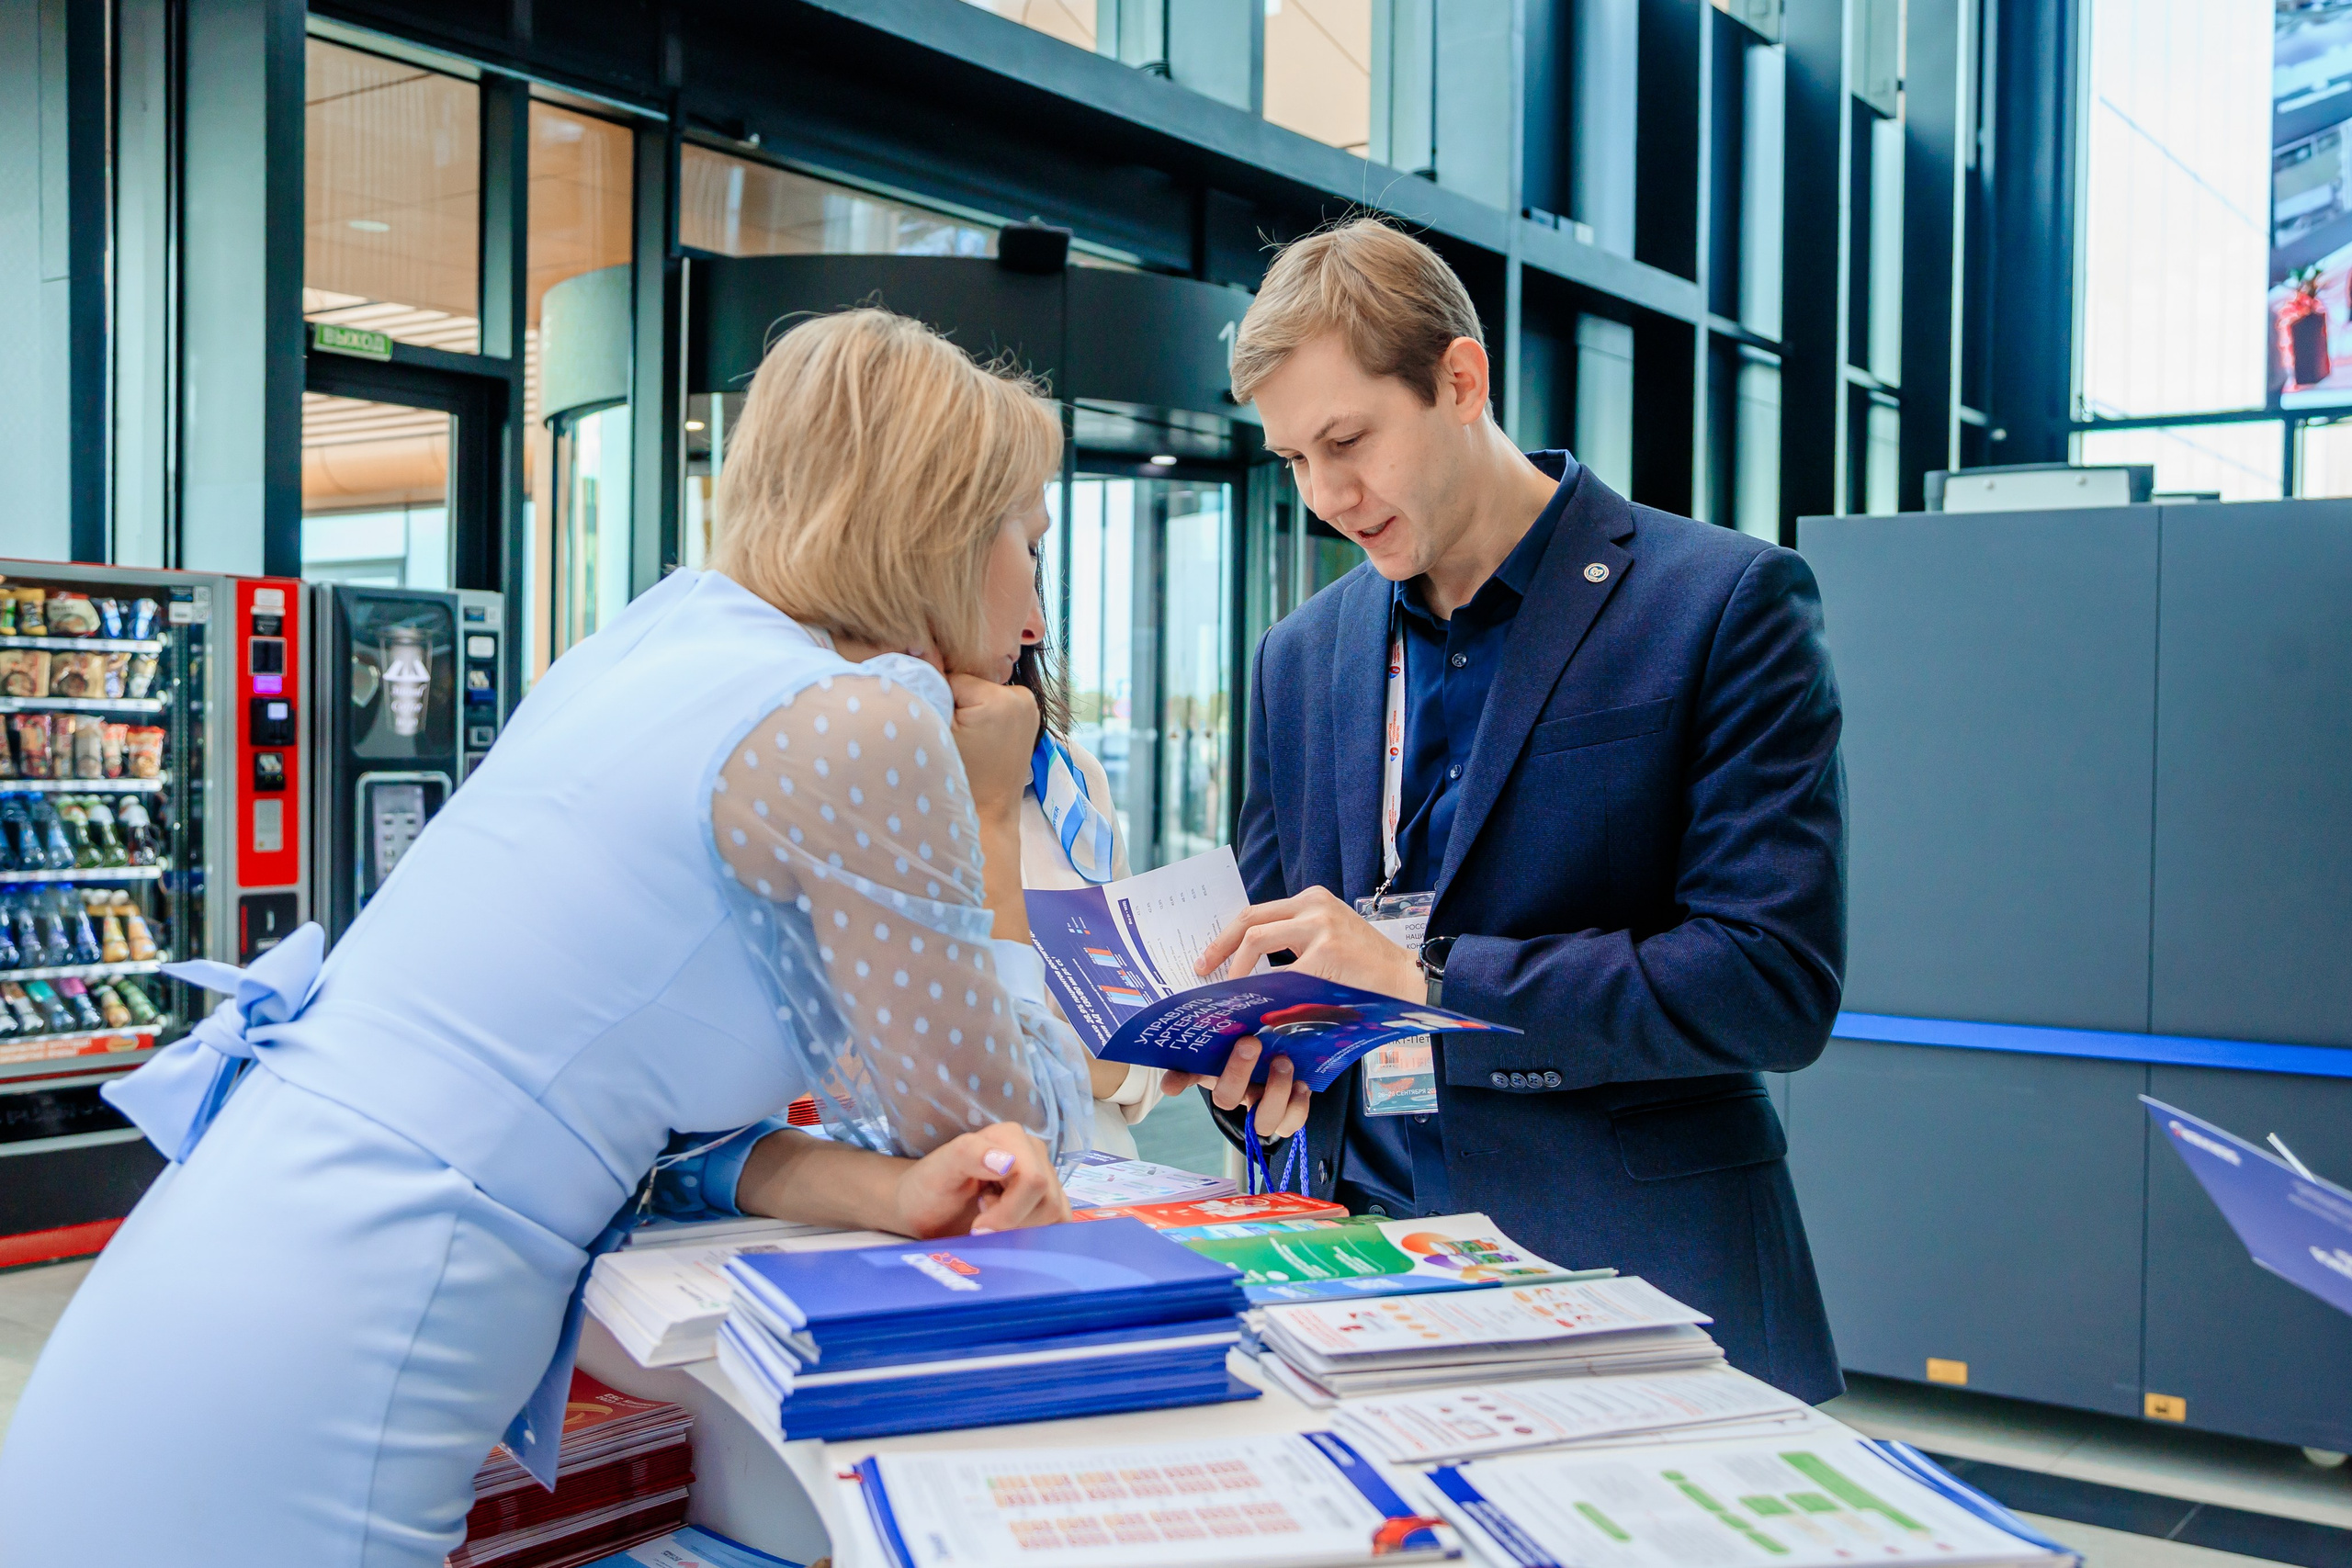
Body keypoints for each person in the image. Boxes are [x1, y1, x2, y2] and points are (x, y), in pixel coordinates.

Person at [0, 309, 1100, 1565]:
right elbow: (1014, 1134)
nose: (1032, 604)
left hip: (180, 1309)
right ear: (943, 524)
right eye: (1030, 539)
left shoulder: (655, 643)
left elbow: (629, 1107)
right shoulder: (864, 720)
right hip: (327, 1376)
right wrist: (992, 808)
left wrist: (880, 1182)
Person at [1178, 220, 1847, 1403]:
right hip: (1347, 1283)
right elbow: (1282, 953)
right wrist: (1237, 1050)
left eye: (1347, 441)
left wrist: (1430, 986)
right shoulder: (1300, 656)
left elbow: (1770, 980)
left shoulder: (1719, 604)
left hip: (1628, 1288)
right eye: (1291, 460)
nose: (1327, 496)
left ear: (1459, 380)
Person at [650, 647, 1162, 1224]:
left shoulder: (1067, 782)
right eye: (1021, 552)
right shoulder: (800, 774)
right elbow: (983, 1111)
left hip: (1098, 1187)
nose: (1036, 625)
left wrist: (1034, 1057)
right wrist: (1032, 1054)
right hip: (845, 1203)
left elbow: (1137, 1061)